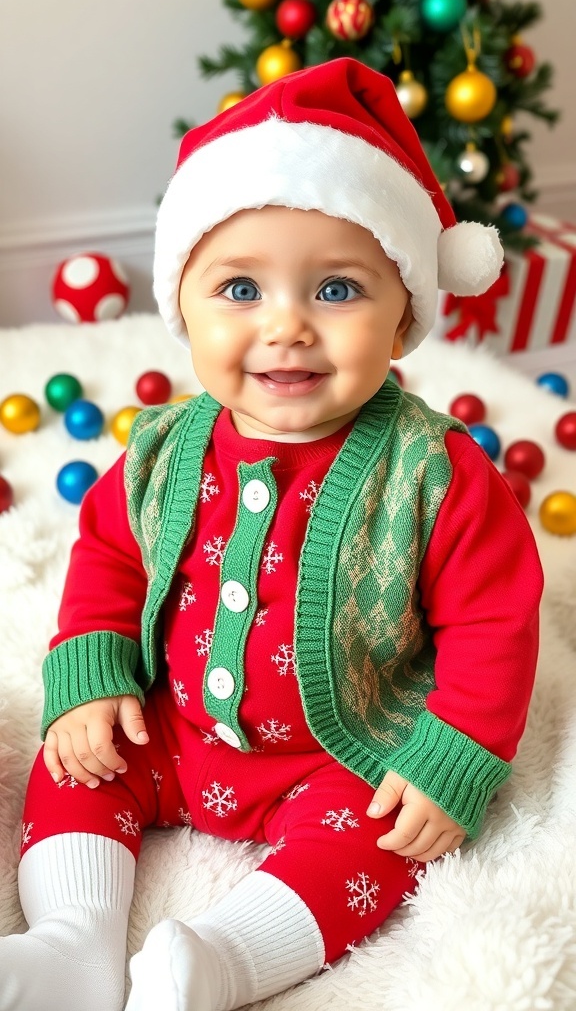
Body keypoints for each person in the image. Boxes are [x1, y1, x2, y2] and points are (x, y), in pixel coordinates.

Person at [0, 58, 543, 1011]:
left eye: (337, 291)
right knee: (78, 756)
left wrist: (453, 752)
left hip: (344, 750)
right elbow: (110, 559)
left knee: (384, 841)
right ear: (183, 308)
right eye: (240, 290)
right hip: (173, 724)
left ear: (405, 311)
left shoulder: (437, 474)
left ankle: (221, 961)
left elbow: (495, 619)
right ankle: (72, 943)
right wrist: (91, 675)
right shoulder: (165, 446)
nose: (286, 326)